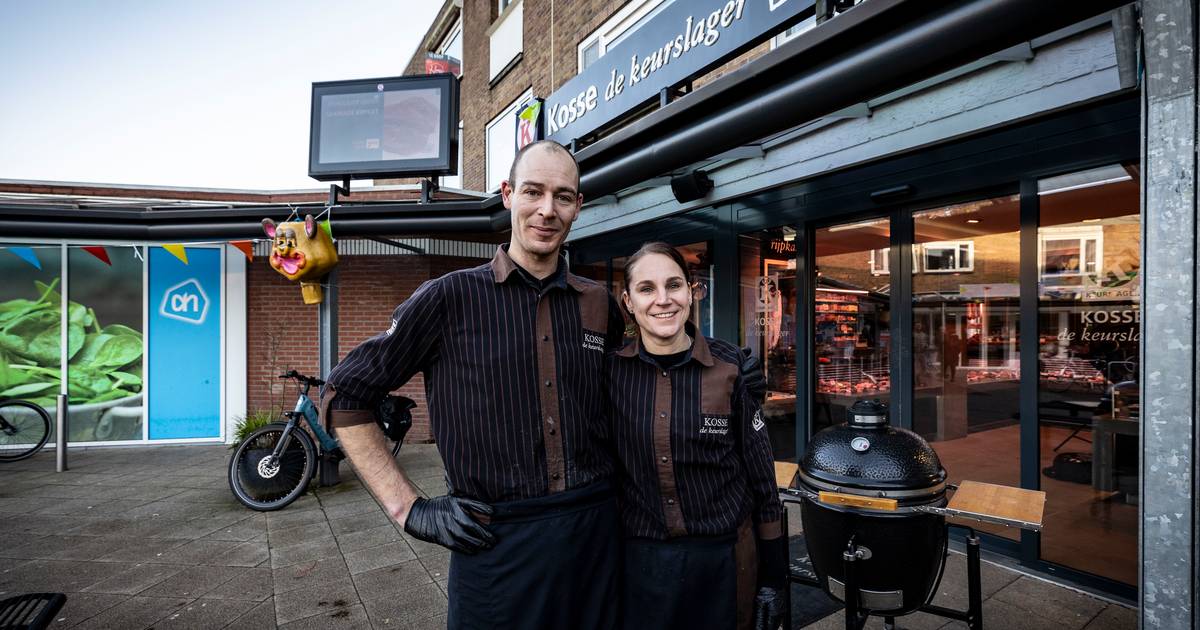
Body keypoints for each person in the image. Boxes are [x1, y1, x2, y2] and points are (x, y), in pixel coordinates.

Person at [320, 140, 626, 630]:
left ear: (578, 206)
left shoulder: (599, 304)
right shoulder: (449, 297)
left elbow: (628, 396)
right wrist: (409, 508)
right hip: (494, 544)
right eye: (533, 192)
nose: (547, 210)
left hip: (595, 537)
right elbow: (345, 395)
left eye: (563, 196)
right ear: (507, 195)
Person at [604, 242, 787, 630]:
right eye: (647, 288)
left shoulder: (731, 367)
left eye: (674, 285)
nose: (663, 299)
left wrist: (774, 578)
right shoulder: (610, 374)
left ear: (691, 292)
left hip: (724, 562)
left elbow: (763, 482)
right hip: (642, 565)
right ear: (628, 302)